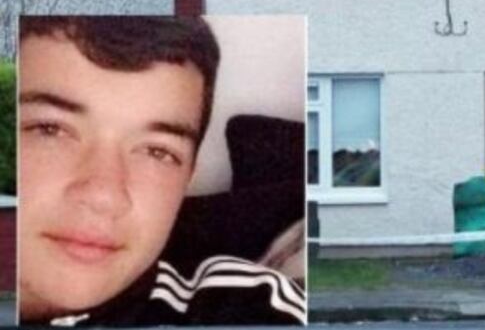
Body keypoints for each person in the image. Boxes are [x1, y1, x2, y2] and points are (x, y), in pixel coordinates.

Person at [17, 16, 305, 326]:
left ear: (188, 175)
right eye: (49, 129)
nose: (106, 196)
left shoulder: (247, 308)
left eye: (158, 151)